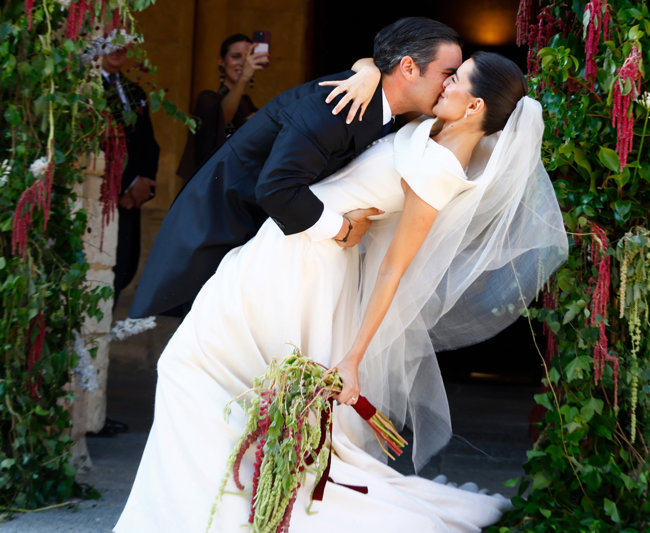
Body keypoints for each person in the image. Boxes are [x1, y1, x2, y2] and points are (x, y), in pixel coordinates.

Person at [114, 52, 568, 532]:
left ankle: (206, 514)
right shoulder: (430, 129)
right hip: (288, 249)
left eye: (455, 78)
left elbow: (394, 271)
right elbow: (388, 66)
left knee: (195, 367)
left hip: (305, 269)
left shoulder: (440, 172)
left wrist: (353, 358)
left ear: (474, 106)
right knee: (215, 376)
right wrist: (368, 71)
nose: (444, 83)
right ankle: (198, 509)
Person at [128, 17, 463, 318]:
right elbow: (277, 189)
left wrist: (368, 68)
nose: (450, 86)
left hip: (266, 241)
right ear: (408, 68)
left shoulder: (381, 109)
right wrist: (342, 229)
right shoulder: (334, 108)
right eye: (448, 75)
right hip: (219, 232)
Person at [100, 42, 160, 305]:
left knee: (124, 265)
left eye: (123, 41)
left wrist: (142, 186)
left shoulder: (134, 90)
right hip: (104, 197)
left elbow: (150, 144)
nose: (117, 48)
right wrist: (125, 185)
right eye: (109, 39)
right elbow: (99, 146)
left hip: (130, 200)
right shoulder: (87, 89)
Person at [176, 33, 268, 180]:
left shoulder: (248, 104)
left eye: (247, 57)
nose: (243, 63)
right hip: (211, 183)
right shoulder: (207, 99)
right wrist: (243, 77)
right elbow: (222, 119)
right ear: (221, 61)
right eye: (236, 56)